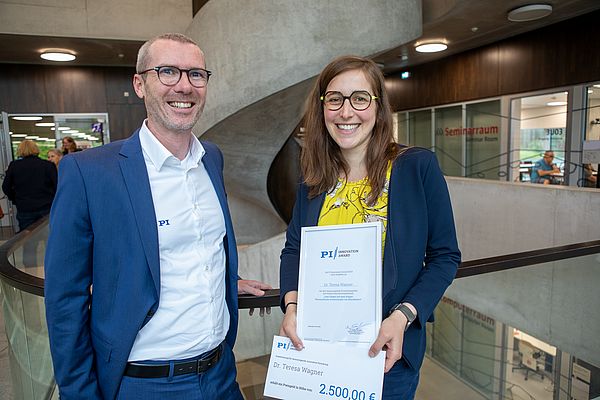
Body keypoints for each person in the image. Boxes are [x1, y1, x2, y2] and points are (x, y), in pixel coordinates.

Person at [44, 33, 271, 400]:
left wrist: (225, 280)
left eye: (196, 74)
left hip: (221, 375)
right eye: (168, 72)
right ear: (139, 84)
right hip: (145, 384)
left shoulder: (211, 158)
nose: (184, 86)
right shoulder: (89, 173)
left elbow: (198, 244)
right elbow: (64, 300)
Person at [278, 55, 461, 399]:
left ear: (378, 107)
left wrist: (403, 317)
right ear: (322, 109)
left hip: (386, 355)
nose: (346, 112)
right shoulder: (312, 180)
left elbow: (445, 256)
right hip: (319, 351)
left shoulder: (416, 167)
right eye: (335, 99)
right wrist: (292, 306)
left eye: (359, 98)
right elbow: (294, 250)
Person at [2, 139, 57, 231]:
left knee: (27, 239)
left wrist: (15, 199)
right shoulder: (47, 165)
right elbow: (56, 185)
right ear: (36, 149)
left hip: (24, 207)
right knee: (49, 235)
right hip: (46, 206)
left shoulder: (14, 166)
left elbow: (6, 187)